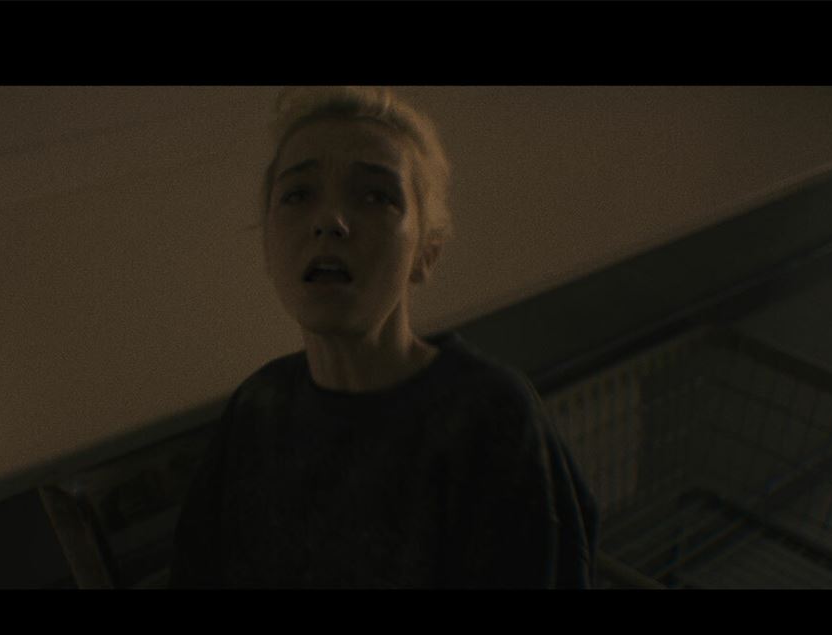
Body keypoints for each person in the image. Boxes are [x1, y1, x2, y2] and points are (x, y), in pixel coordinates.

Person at [169, 87, 598, 588]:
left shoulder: (487, 420)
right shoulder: (256, 410)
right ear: (266, 244)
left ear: (426, 253)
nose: (329, 221)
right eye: (298, 195)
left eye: (375, 196)